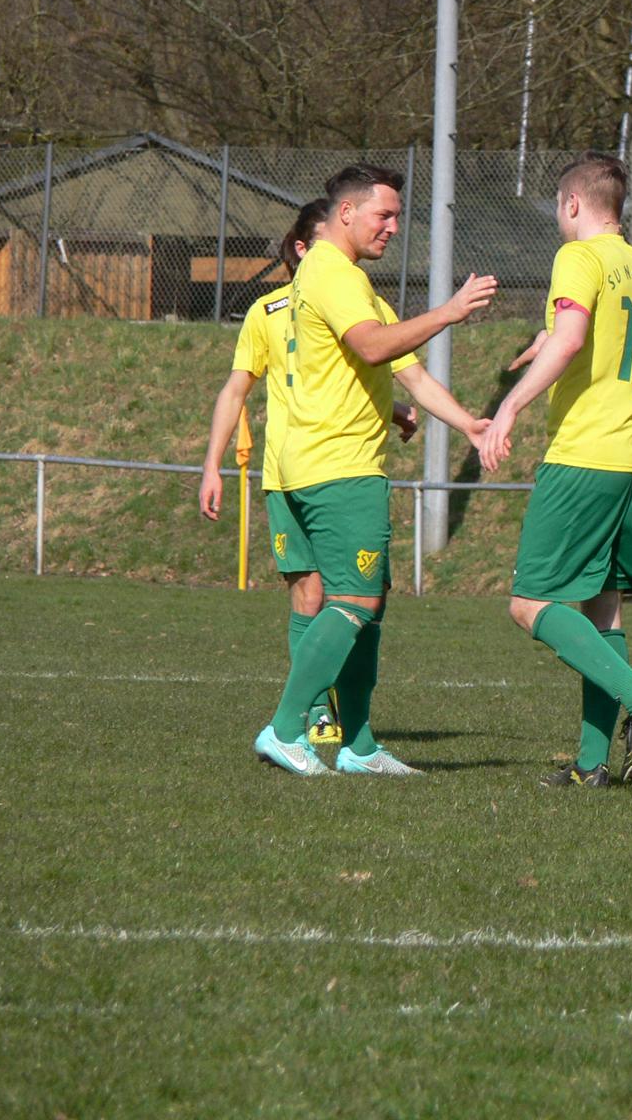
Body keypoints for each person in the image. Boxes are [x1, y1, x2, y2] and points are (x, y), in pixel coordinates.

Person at [251, 163, 497, 776]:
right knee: (354, 600)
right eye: (383, 215)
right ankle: (286, 728)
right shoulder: (334, 273)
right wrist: (448, 312)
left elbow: (407, 373)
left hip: (316, 462)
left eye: (396, 216)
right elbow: (371, 346)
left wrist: (468, 424)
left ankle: (359, 746)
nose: (392, 227)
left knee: (369, 604)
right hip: (338, 465)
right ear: (346, 213)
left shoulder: (340, 280)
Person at [478, 151, 632, 788]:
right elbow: (593, 334)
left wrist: (509, 405)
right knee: (603, 608)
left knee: (528, 602)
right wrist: (547, 338)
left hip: (587, 452)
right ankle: (593, 765)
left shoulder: (579, 256)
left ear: (571, 204)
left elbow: (572, 339)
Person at [199, 200, 417, 747]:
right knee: (312, 594)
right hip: (293, 473)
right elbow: (238, 389)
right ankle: (313, 715)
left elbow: (342, 376)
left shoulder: (364, 304)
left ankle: (354, 732)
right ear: (303, 248)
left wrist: (393, 409)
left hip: (339, 468)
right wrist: (212, 465)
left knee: (363, 598)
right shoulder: (268, 312)